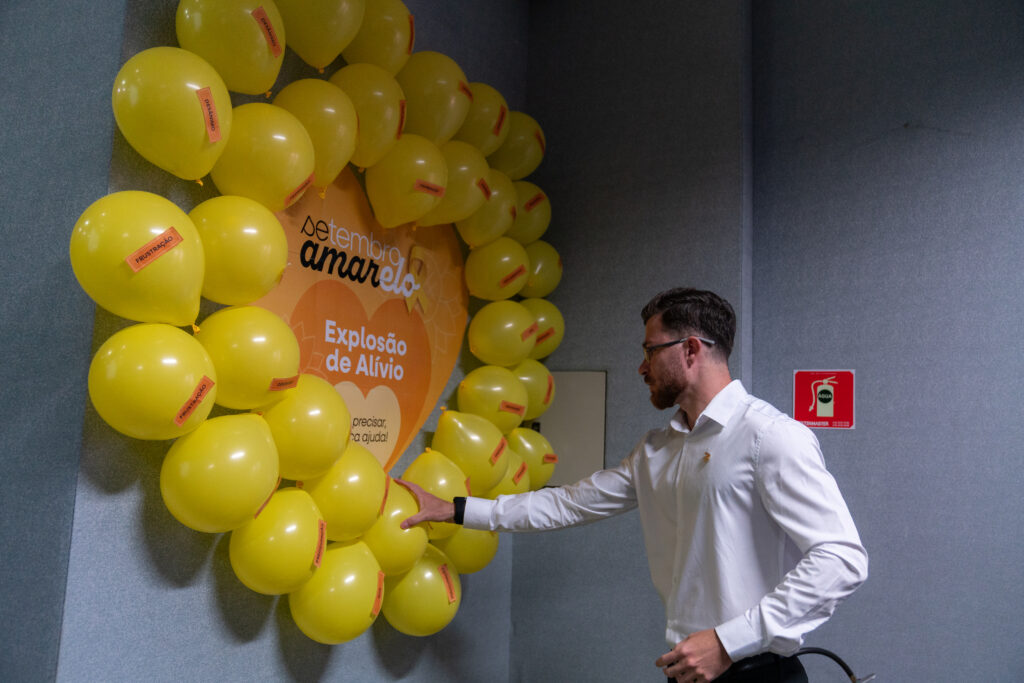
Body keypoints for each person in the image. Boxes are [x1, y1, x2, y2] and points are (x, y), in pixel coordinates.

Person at [400, 287, 868, 683]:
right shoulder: (656, 450)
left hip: (757, 672)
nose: (641, 368)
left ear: (690, 350)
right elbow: (567, 505)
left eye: (649, 350)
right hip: (687, 669)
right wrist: (456, 510)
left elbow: (842, 560)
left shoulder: (770, 436)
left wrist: (728, 641)